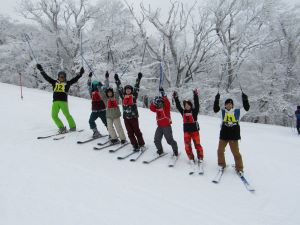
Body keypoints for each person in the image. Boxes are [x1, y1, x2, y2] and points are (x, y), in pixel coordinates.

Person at [36, 64, 84, 133]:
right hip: (55, 102)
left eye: (63, 77)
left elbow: (75, 79)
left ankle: (73, 126)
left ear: (65, 77)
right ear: (58, 77)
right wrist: (41, 70)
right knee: (54, 115)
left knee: (67, 115)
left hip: (63, 102)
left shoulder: (67, 83)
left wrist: (80, 74)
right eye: (60, 76)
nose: (61, 78)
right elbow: (46, 77)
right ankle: (61, 128)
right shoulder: (54, 82)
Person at [213, 92, 250, 175]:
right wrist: (217, 99)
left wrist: (245, 99)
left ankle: (239, 168)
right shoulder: (222, 112)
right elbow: (215, 109)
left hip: (234, 136)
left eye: (230, 104)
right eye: (227, 104)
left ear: (232, 105)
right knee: (220, 151)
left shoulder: (237, 112)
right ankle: (222, 164)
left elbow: (246, 108)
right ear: (225, 105)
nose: (229, 105)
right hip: (224, 136)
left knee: (236, 153)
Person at [115, 73, 145, 151]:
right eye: (126, 89)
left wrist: (138, 78)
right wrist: (117, 79)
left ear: (131, 90)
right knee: (129, 132)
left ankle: (141, 144)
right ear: (125, 91)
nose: (128, 90)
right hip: (126, 118)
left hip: (134, 117)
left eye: (129, 89)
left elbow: (136, 87)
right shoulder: (123, 96)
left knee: (137, 131)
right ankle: (134, 144)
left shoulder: (134, 96)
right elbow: (120, 87)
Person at [173, 89, 204, 163]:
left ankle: (200, 157)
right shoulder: (183, 112)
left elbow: (197, 104)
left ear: (190, 105)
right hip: (186, 132)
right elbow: (178, 106)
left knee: (197, 145)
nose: (186, 106)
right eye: (185, 105)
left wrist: (195, 95)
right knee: (187, 146)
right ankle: (191, 158)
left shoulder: (194, 111)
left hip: (195, 131)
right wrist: (176, 97)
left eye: (188, 105)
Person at [150, 88, 178, 157]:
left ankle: (175, 149)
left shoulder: (166, 108)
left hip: (166, 126)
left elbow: (167, 102)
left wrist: (163, 95)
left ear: (163, 102)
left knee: (169, 140)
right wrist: (153, 102)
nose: (159, 104)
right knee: (156, 139)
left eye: (160, 102)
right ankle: (160, 149)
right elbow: (151, 108)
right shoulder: (156, 109)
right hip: (159, 127)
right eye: (158, 102)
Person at [104, 74, 126, 144]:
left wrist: (117, 80)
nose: (109, 93)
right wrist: (106, 78)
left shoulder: (115, 97)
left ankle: (123, 138)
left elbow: (118, 89)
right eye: (108, 92)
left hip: (116, 115)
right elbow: (104, 88)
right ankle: (114, 138)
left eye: (110, 92)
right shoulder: (106, 99)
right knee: (110, 127)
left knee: (118, 127)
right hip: (109, 115)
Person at [87, 71, 109, 138]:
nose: (95, 87)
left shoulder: (102, 91)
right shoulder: (91, 92)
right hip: (94, 111)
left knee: (106, 123)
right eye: (94, 86)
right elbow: (88, 85)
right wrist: (89, 77)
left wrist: (106, 78)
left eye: (97, 86)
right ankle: (96, 132)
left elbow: (106, 85)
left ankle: (112, 133)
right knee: (91, 121)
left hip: (102, 110)